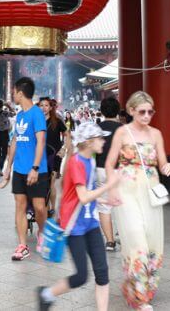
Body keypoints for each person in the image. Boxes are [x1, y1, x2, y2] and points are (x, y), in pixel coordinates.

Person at [37, 121, 123, 311]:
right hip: (74, 226)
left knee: (102, 271)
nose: (103, 141)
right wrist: (111, 184)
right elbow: (83, 197)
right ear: (89, 141)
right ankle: (47, 294)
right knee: (81, 276)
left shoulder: (90, 160)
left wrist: (104, 201)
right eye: (100, 138)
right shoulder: (76, 162)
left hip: (90, 223)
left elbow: (85, 194)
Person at [104, 91, 170, 310]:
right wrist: (112, 189)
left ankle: (138, 286)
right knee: (137, 240)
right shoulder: (121, 133)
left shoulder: (156, 134)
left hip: (150, 188)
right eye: (142, 111)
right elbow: (109, 164)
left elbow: (162, 162)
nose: (147, 115)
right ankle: (139, 296)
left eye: (150, 111)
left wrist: (168, 166)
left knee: (152, 241)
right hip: (126, 188)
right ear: (132, 110)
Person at [2, 77, 48, 261]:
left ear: (20, 93)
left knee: (39, 207)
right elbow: (14, 142)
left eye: (14, 92)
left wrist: (35, 168)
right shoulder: (19, 115)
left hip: (37, 170)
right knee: (20, 205)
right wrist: (8, 168)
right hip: (20, 170)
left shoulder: (36, 114)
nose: (13, 95)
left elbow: (41, 142)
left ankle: (42, 233)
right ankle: (22, 245)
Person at [97, 96, 122, 251]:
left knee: (104, 207)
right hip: (119, 170)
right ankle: (124, 236)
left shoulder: (97, 128)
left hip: (100, 170)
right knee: (122, 204)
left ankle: (110, 242)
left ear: (102, 111)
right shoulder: (123, 129)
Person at [40, 97, 68, 217]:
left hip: (55, 155)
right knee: (42, 183)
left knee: (51, 183)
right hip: (39, 155)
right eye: (41, 106)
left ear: (51, 108)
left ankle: (52, 207)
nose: (44, 108)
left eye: (46, 106)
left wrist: (63, 148)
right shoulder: (35, 121)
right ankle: (44, 208)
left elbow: (67, 135)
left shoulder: (57, 120)